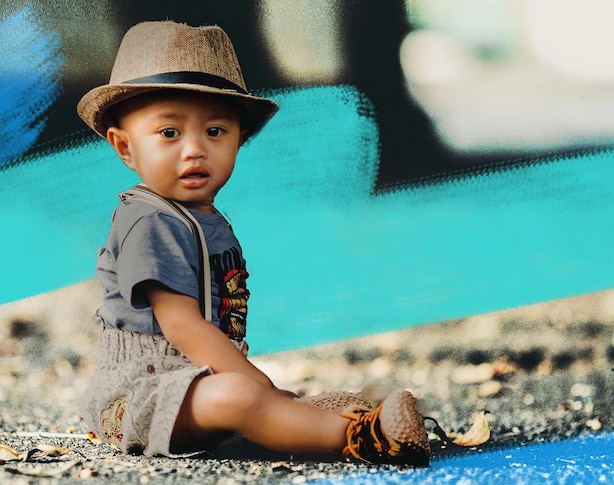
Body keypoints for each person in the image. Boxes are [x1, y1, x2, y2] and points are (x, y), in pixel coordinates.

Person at [76, 20, 431, 466]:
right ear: (124, 147)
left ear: (240, 139)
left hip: (194, 379)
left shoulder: (206, 219)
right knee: (241, 396)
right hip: (138, 397)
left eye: (215, 131)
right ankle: (362, 437)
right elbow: (182, 325)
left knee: (248, 396)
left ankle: (307, 418)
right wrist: (258, 384)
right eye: (169, 133)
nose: (194, 150)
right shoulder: (148, 220)